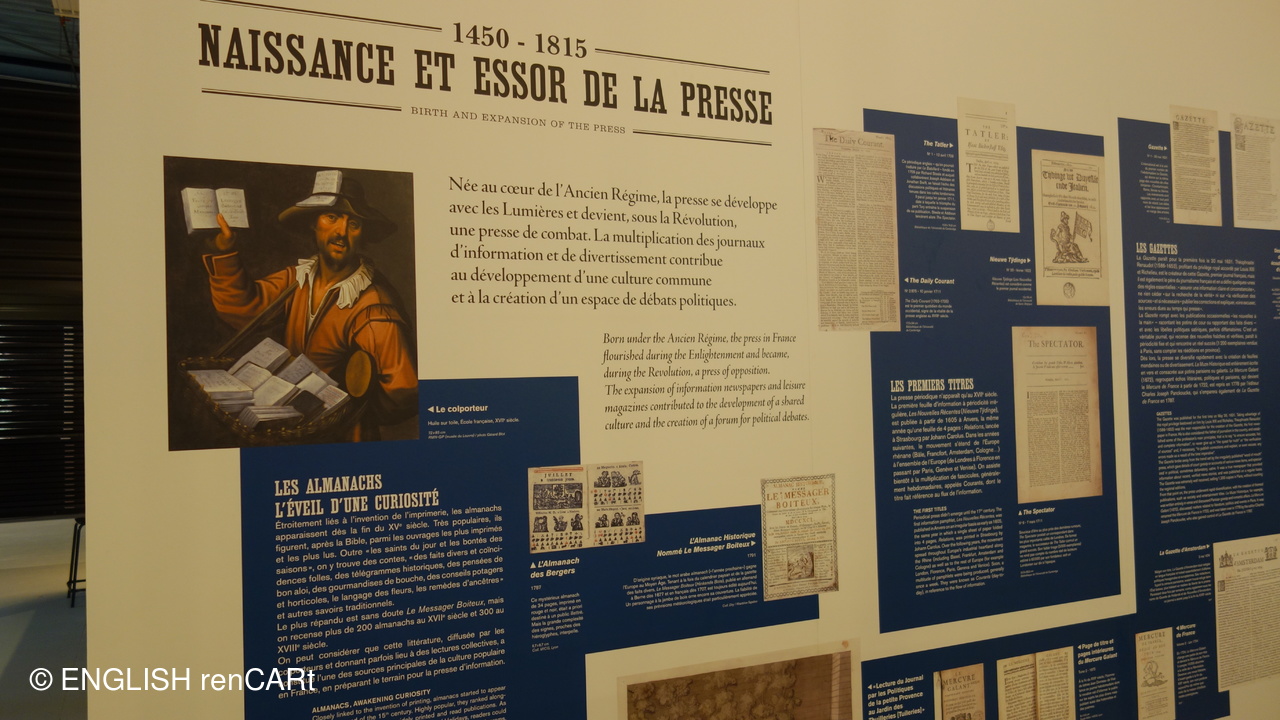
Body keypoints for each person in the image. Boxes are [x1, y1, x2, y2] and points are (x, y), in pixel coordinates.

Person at [203, 169, 417, 440]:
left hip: (340, 438)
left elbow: (403, 390)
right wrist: (225, 251)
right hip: (289, 426)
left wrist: (349, 412)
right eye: (332, 217)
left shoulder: (373, 306)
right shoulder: (298, 279)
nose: (341, 232)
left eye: (353, 224)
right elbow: (243, 307)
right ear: (313, 223)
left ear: (363, 233)